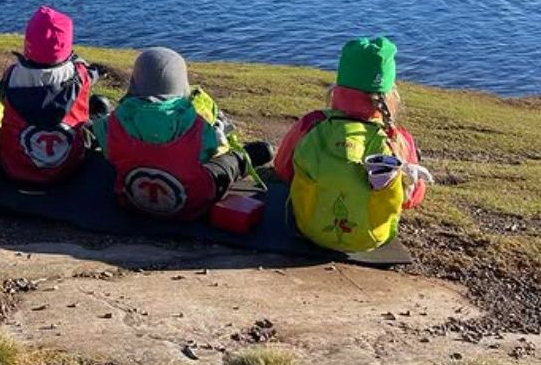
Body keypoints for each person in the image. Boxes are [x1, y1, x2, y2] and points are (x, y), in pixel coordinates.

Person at [275, 36, 429, 252]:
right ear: (389, 95)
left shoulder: (312, 124)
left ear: (338, 88)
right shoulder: (398, 139)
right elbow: (410, 200)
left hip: (308, 228)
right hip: (373, 238)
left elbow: (282, 169)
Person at [92, 47, 273, 220]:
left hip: (132, 199)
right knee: (226, 163)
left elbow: (107, 147)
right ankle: (247, 156)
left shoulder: (114, 123)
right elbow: (213, 151)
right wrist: (219, 132)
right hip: (193, 203)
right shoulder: (195, 124)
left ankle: (98, 111)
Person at [0, 6, 94, 184]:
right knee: (92, 116)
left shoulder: (11, 76)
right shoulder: (81, 76)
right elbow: (90, 74)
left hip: (15, 167)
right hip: (69, 168)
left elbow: (1, 97)